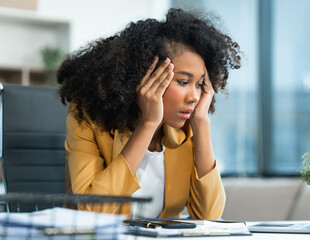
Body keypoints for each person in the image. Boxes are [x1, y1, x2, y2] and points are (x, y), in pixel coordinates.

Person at [57, 8, 241, 220]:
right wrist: (148, 124)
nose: (194, 96)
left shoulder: (186, 128)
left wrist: (201, 123)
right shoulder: (87, 118)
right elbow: (90, 212)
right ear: (145, 77)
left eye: (200, 84)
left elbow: (209, 216)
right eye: (183, 82)